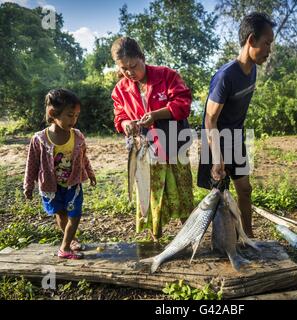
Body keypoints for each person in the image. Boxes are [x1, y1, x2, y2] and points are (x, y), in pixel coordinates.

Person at [197, 12, 275, 238]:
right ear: (251, 40)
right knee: (219, 196)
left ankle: (247, 237)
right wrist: (217, 156)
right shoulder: (226, 76)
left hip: (235, 139)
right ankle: (221, 242)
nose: (269, 50)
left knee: (245, 190)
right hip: (215, 140)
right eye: (266, 43)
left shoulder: (253, 71)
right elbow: (210, 119)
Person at [111, 37, 194, 240]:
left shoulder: (167, 75)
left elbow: (183, 104)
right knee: (151, 195)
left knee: (182, 193)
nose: (130, 72)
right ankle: (156, 238)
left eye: (133, 66)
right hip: (145, 151)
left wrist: (156, 115)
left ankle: (190, 237)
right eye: (124, 69)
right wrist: (125, 124)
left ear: (143, 58)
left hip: (174, 146)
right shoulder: (121, 89)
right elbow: (119, 115)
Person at [24, 89, 96, 259]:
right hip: (51, 187)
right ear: (53, 113)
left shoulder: (77, 136)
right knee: (61, 215)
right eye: (70, 115)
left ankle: (64, 248)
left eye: (77, 115)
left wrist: (90, 173)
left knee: (75, 215)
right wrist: (28, 186)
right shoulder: (40, 139)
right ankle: (70, 240)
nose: (74, 120)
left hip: (73, 184)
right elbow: (32, 164)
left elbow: (83, 158)